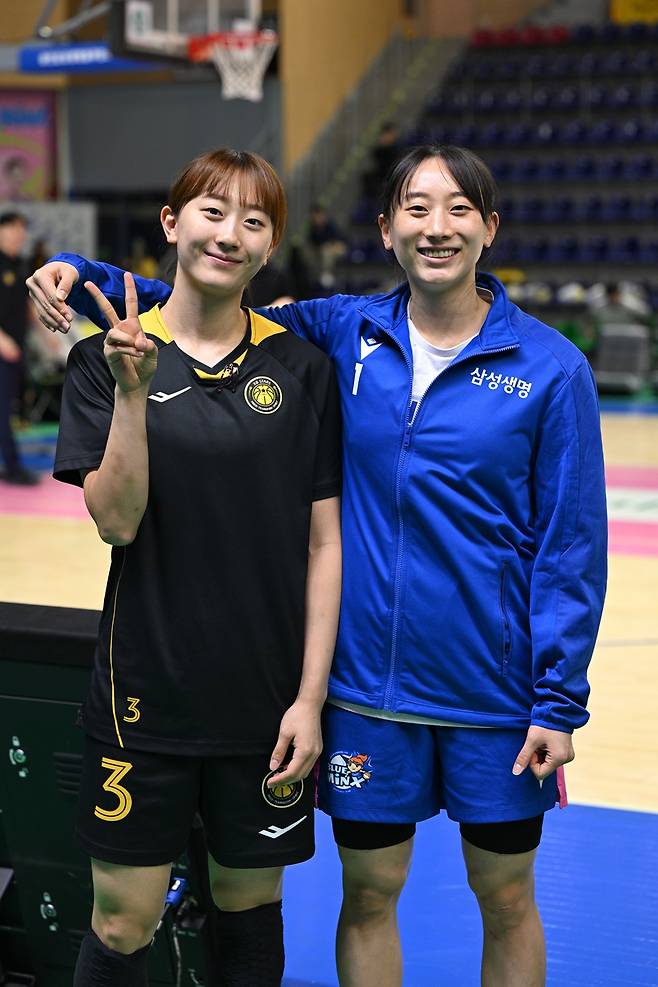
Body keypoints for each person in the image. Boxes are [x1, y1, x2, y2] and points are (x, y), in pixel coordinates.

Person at [29, 144, 607, 987]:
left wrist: (559, 698)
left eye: (458, 209)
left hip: (494, 692)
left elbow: (572, 544)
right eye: (416, 208)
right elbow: (207, 287)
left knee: (508, 894)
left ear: (490, 227)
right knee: (367, 893)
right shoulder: (344, 328)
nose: (436, 227)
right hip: (364, 690)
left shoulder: (553, 368)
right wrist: (82, 273)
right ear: (385, 228)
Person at [45, 149, 342, 987]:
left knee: (248, 907)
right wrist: (132, 391)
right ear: (172, 224)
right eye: (213, 212)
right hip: (142, 698)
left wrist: (310, 698)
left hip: (265, 703)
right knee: (122, 920)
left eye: (254, 221)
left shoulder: (303, 369)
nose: (230, 234)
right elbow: (116, 521)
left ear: (269, 246)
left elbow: (325, 544)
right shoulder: (104, 359)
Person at [0, 211, 39, 484]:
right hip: (4, 348)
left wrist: (48, 331)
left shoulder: (21, 264)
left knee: (8, 408)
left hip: (16, 349)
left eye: (22, 230)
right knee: (3, 410)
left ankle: (12, 465)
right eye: (12, 228)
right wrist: (2, 341)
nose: (18, 234)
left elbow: (26, 304)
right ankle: (13, 468)